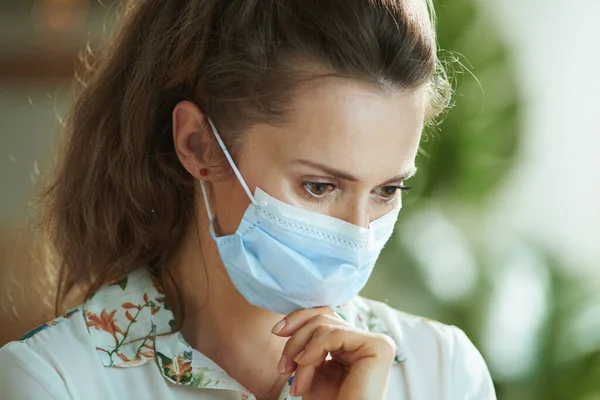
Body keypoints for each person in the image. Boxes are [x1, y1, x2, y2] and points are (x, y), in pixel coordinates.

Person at [0, 0, 496, 399]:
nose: (357, 233)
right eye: (319, 187)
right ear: (199, 145)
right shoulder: (53, 382)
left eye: (388, 190)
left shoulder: (445, 373)